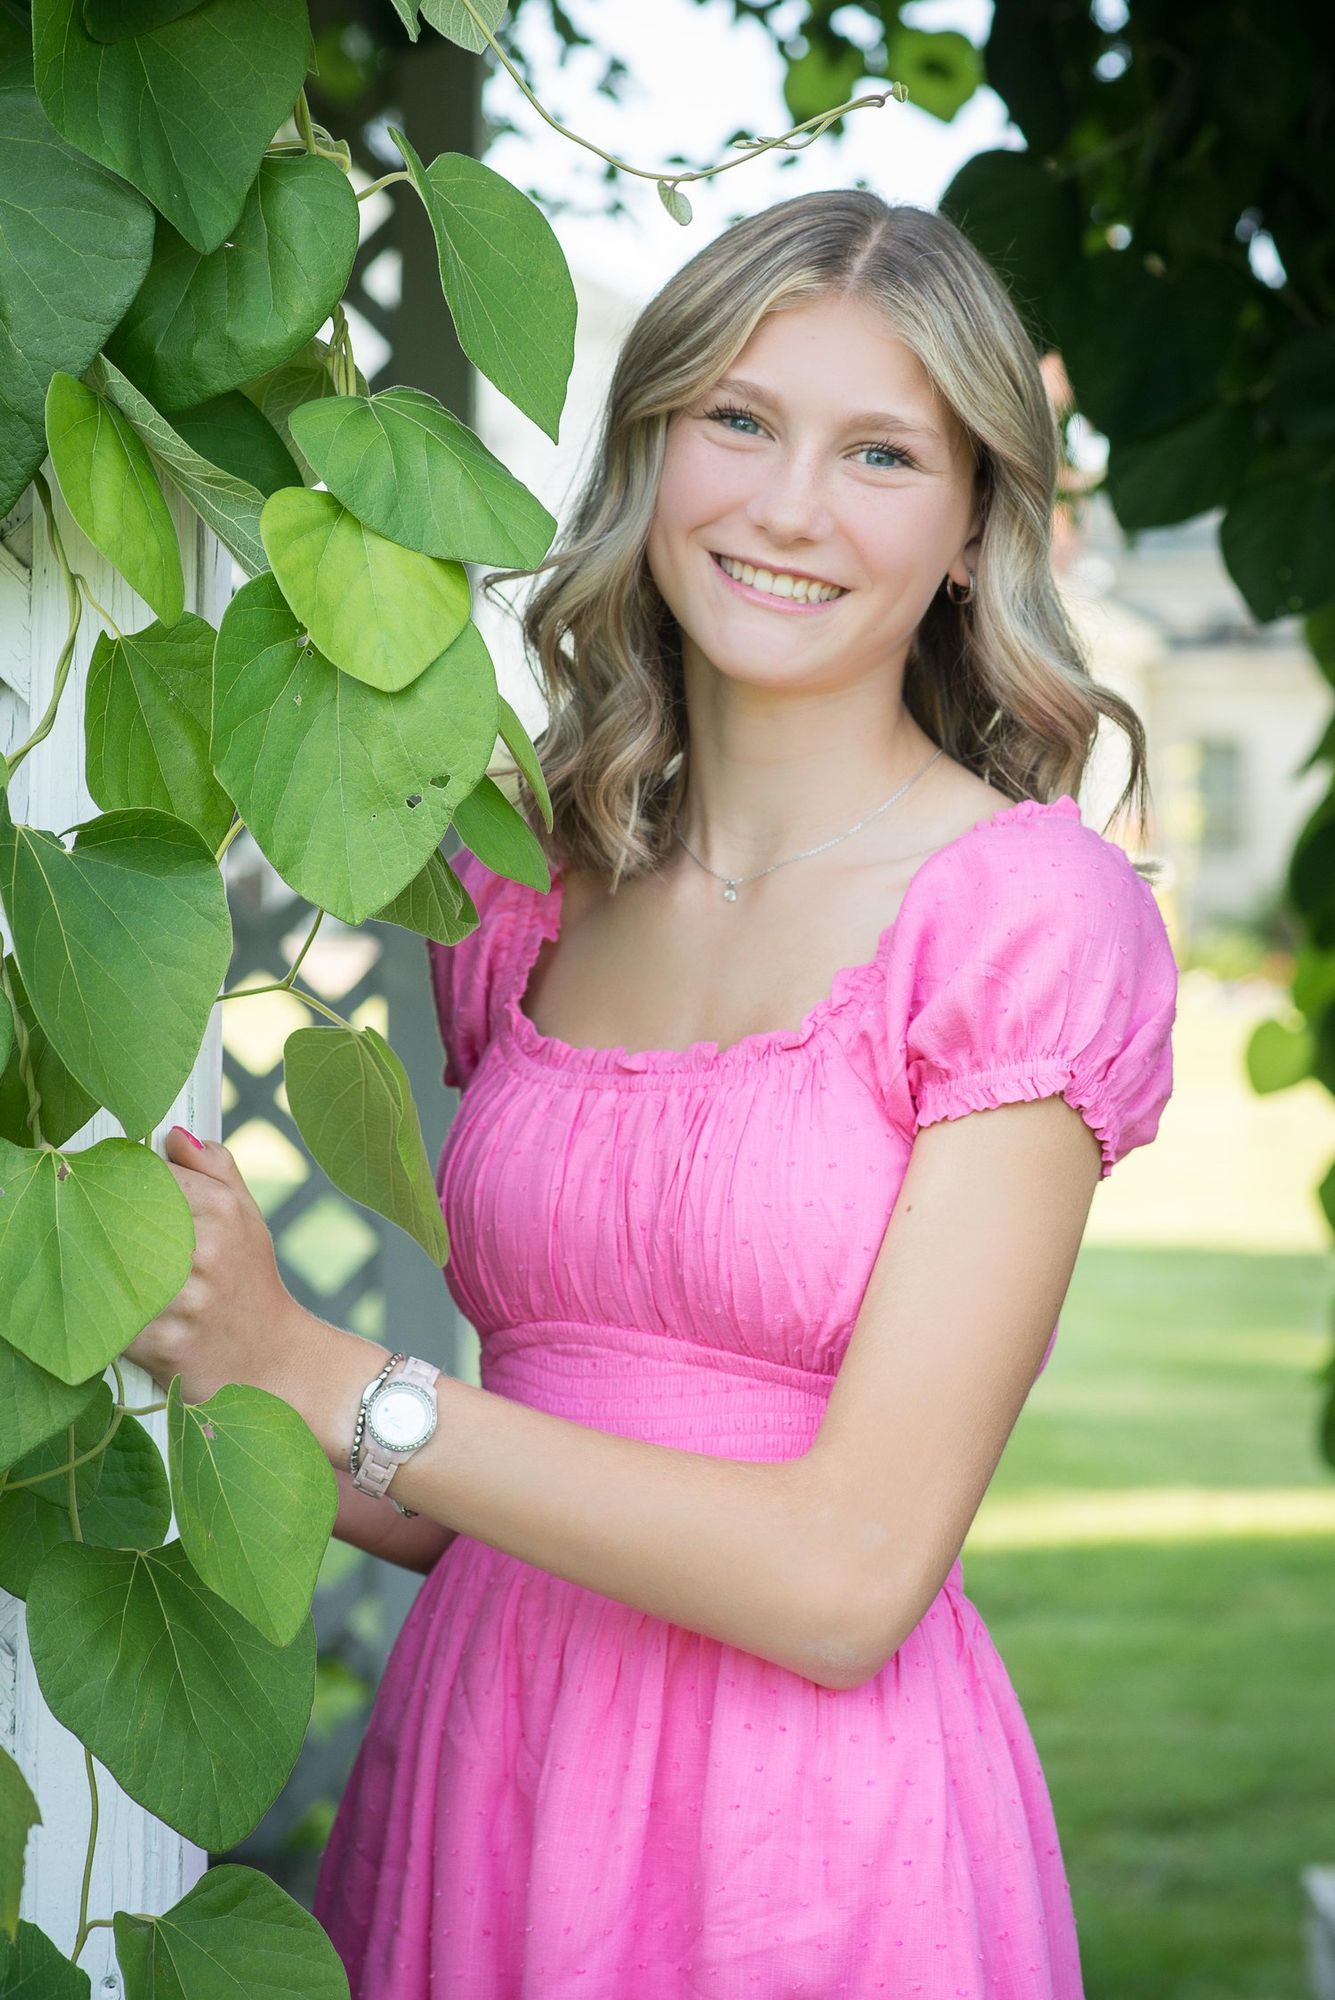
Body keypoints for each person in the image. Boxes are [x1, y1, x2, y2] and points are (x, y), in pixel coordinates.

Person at [312, 189, 1178, 1998]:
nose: (790, 508)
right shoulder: (529, 890)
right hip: (490, 1760)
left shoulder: (1019, 919)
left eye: (879, 452)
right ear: (650, 451)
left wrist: (351, 1390)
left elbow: (850, 1575)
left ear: (969, 531)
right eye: (739, 419)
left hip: (809, 1845)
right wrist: (219, 1361)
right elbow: (513, 1459)